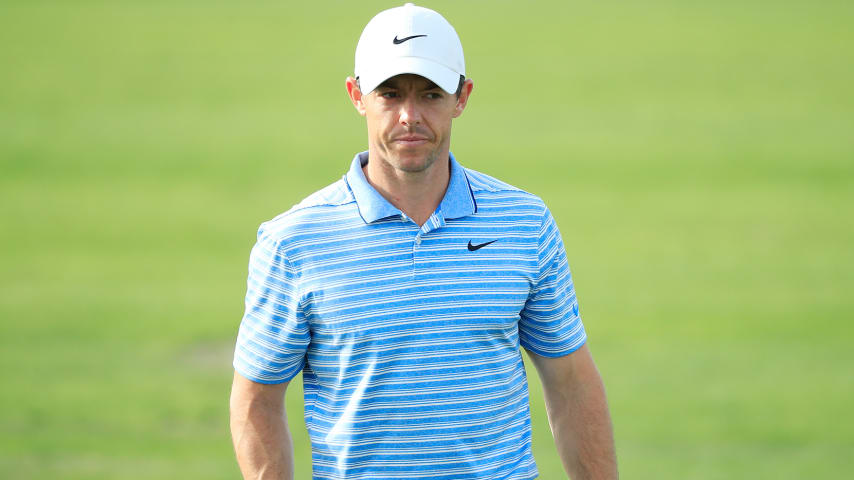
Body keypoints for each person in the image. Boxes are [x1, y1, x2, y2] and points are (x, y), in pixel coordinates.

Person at [229, 3, 617, 479]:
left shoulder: (525, 222)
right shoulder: (292, 242)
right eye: (389, 94)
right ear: (357, 95)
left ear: (462, 96)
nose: (409, 116)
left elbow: (572, 383)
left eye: (430, 94)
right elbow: (256, 400)